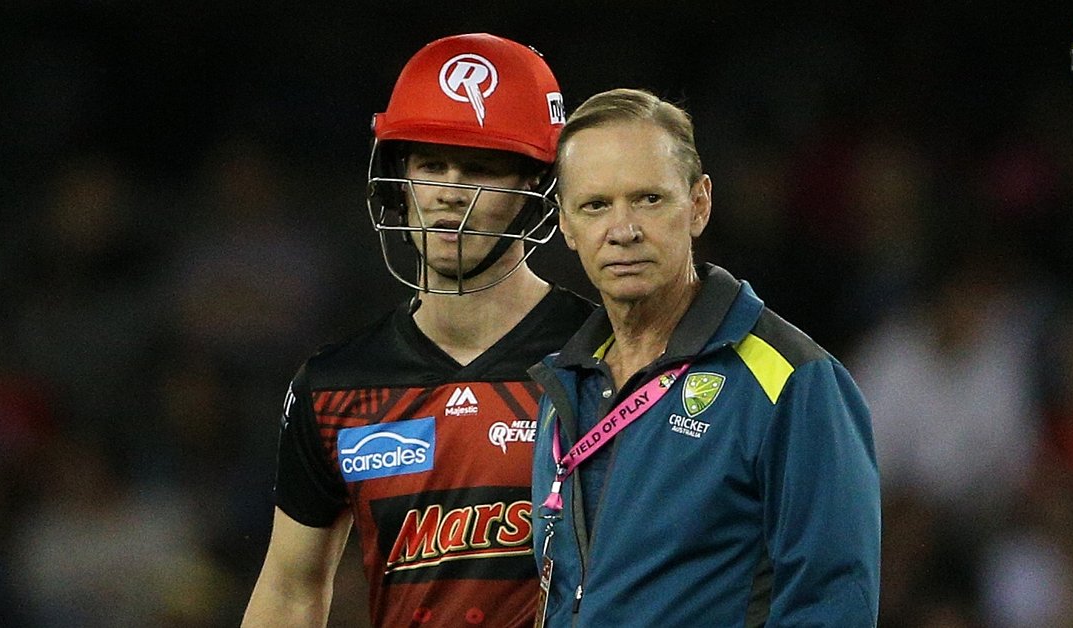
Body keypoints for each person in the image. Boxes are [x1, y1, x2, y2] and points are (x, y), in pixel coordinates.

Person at [242, 33, 593, 628]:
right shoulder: (334, 389)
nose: (449, 194)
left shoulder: (606, 357)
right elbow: (289, 590)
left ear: (536, 187)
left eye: (480, 168)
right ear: (399, 181)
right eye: (432, 164)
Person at [528, 88, 881, 626]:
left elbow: (832, 605)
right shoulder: (565, 388)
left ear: (699, 205)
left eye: (649, 199)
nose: (623, 231)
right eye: (596, 205)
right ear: (567, 226)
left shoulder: (791, 379)